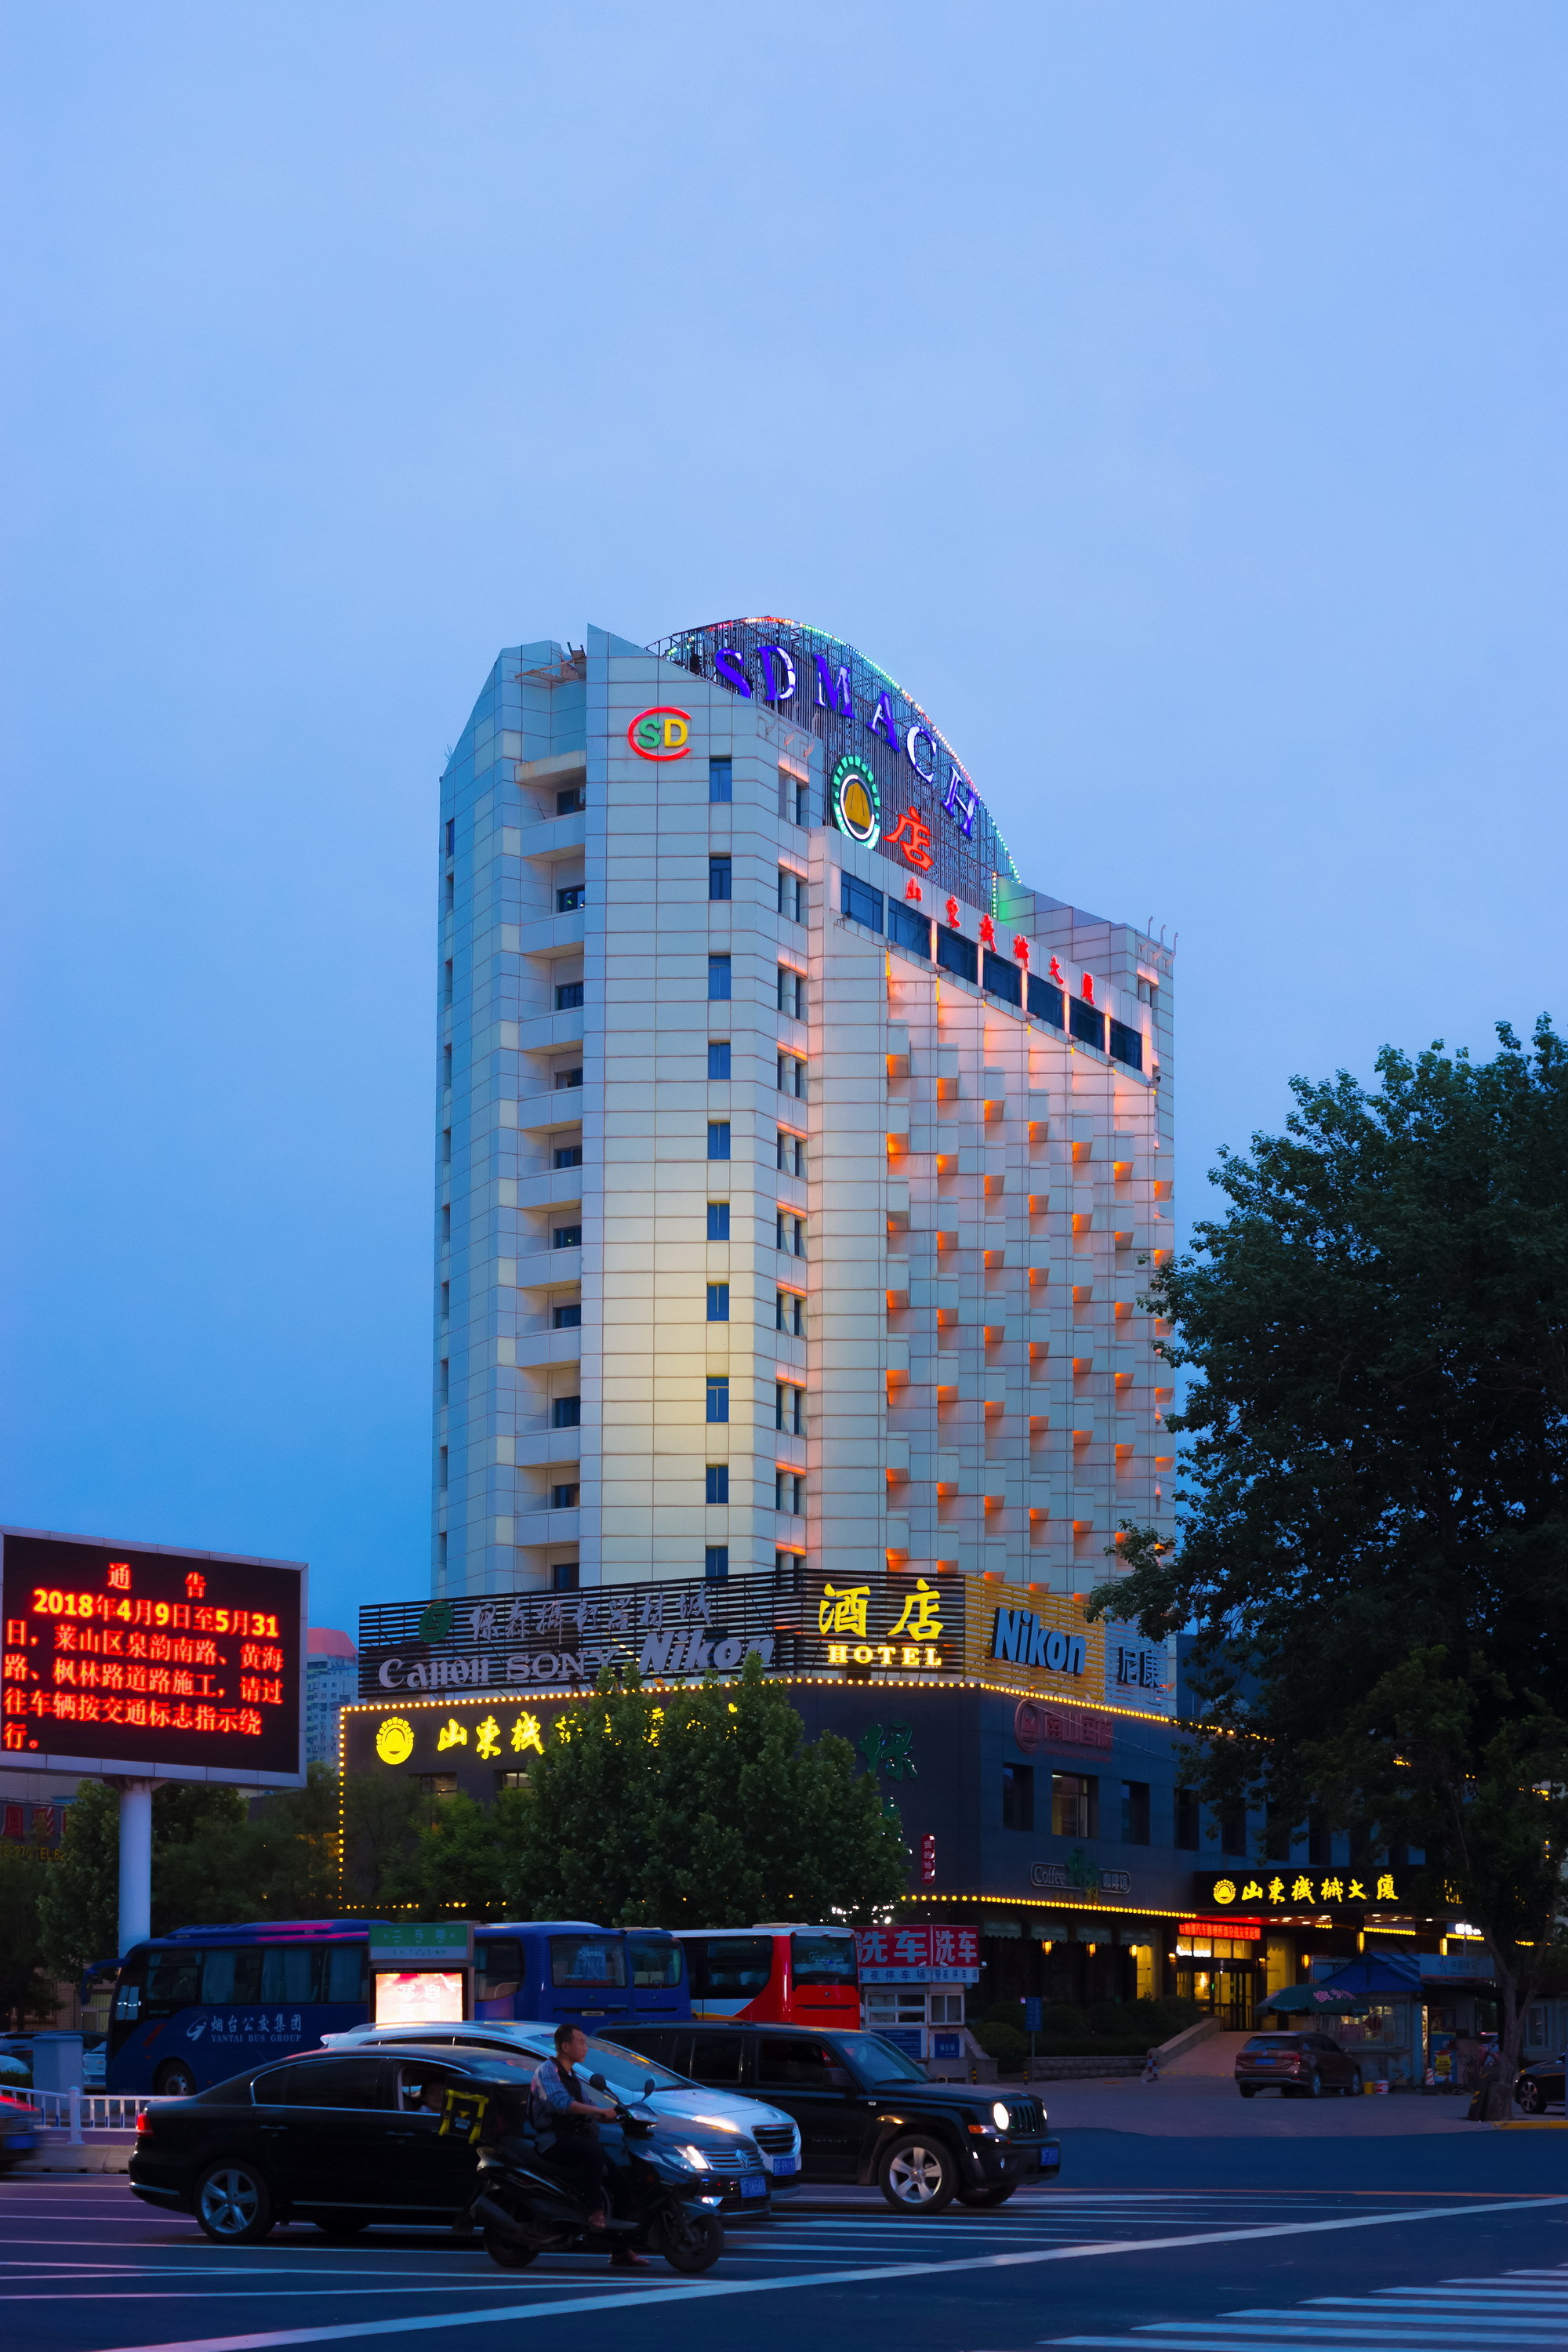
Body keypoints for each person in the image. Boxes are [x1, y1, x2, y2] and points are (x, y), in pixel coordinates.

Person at [530, 2023, 645, 2267]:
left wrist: (615, 2113)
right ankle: (594, 2212)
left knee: (623, 2184)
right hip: (553, 2140)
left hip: (575, 2138)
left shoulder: (572, 2075)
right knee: (593, 2151)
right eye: (581, 2042)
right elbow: (561, 2103)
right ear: (565, 2046)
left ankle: (620, 2251)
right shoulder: (547, 2071)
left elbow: (587, 2103)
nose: (586, 2047)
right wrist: (598, 2112)